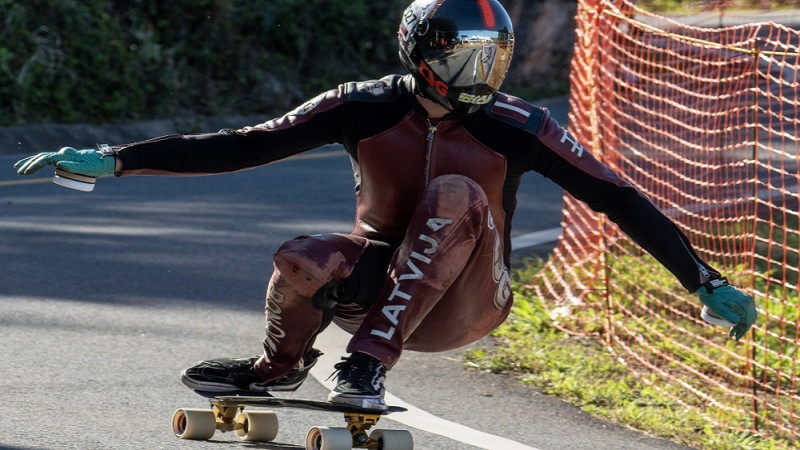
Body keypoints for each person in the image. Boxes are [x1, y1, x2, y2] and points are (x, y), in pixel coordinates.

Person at [14, 0, 756, 410]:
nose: (484, 74)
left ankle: (364, 367)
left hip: (469, 300)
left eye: (494, 59)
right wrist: (117, 160)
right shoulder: (359, 106)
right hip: (379, 288)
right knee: (301, 256)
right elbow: (241, 145)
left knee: (458, 195)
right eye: (467, 58)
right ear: (422, 54)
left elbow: (617, 197)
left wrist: (703, 280)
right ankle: (278, 368)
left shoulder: (521, 126)